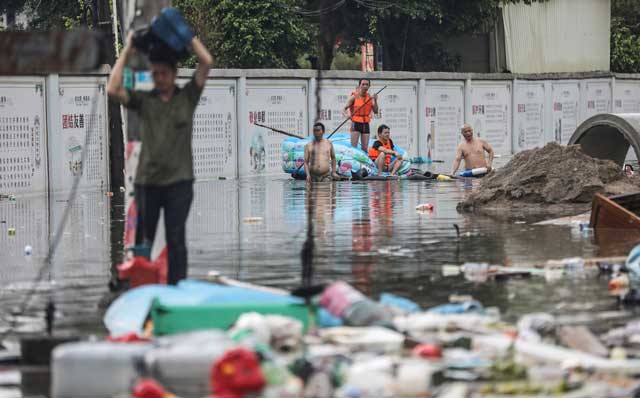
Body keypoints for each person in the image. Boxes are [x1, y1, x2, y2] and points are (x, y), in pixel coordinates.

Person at [107, 32, 213, 285]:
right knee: (144, 241)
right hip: (148, 183)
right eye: (155, 74)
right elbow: (112, 88)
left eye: (164, 73)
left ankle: (178, 288)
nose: (159, 78)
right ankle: (142, 286)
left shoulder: (187, 97)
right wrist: (128, 50)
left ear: (174, 73)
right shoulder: (144, 101)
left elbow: (207, 61)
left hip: (180, 183)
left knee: (176, 240)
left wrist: (188, 36)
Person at [343, 79, 379, 152]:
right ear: (359, 85)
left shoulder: (370, 97)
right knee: (353, 147)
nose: (365, 86)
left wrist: (375, 101)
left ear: (369, 86)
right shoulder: (354, 96)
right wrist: (347, 115)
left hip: (366, 123)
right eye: (363, 84)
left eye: (367, 84)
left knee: (365, 148)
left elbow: (375, 111)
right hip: (356, 122)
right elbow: (344, 108)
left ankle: (363, 163)